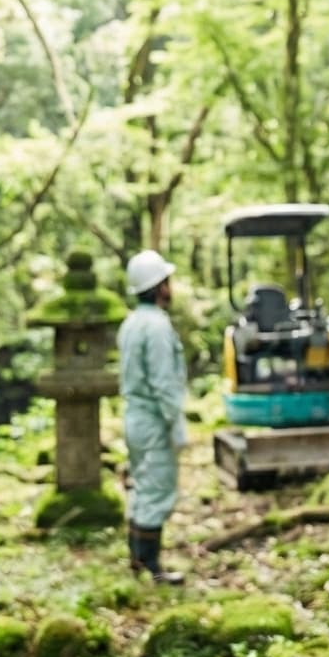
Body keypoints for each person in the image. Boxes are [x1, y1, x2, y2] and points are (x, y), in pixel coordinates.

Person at [118, 248, 191, 585]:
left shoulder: (131, 323)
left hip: (135, 416)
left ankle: (137, 558)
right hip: (153, 420)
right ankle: (151, 565)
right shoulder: (157, 327)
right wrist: (176, 425)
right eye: (166, 280)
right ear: (159, 286)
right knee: (157, 488)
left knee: (142, 484)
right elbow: (164, 383)